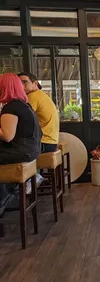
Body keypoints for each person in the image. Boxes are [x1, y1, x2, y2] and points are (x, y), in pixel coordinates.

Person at [0, 73, 42, 209]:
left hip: (22, 151)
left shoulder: (11, 107)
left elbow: (7, 136)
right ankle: (12, 191)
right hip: (31, 150)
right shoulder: (25, 106)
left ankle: (5, 197)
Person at [18, 72, 59, 153]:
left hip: (42, 143)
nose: (21, 85)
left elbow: (21, 120)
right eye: (19, 83)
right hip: (50, 142)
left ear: (35, 83)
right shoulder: (41, 95)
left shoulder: (32, 96)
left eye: (25, 82)